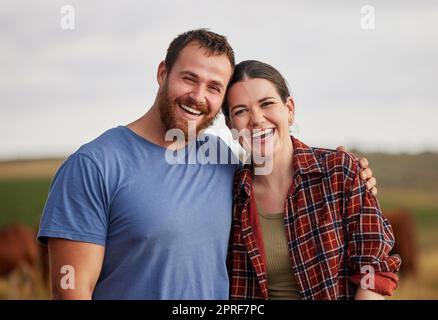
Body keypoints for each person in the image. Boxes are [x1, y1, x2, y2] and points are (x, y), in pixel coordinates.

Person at [37, 29, 376, 299]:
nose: (199, 96)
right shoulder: (94, 166)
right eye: (189, 78)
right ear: (162, 73)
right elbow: (71, 291)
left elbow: (278, 157)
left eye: (214, 87)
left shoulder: (225, 163)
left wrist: (348, 172)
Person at [224, 60, 401, 300]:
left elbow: (373, 270)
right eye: (241, 111)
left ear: (290, 110)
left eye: (267, 104)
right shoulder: (229, 193)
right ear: (230, 125)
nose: (256, 119)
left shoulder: (340, 171)